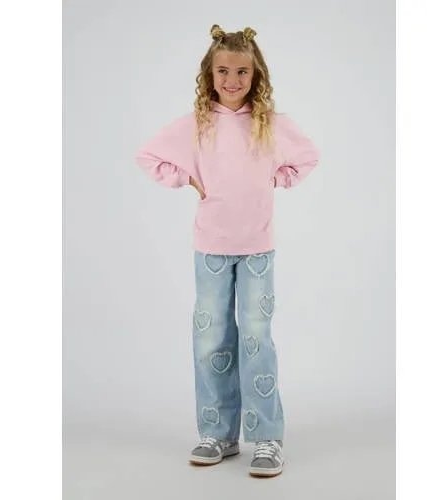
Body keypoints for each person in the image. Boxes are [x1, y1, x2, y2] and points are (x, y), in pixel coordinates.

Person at [135, 24, 320, 478]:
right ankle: (218, 433)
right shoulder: (196, 124)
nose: (232, 80)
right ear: (210, 74)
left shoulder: (270, 124)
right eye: (223, 71)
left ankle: (267, 436)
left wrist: (276, 179)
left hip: (257, 247)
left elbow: (307, 157)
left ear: (255, 75)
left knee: (256, 337)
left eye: (242, 72)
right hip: (211, 248)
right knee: (211, 339)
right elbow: (148, 156)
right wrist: (186, 179)